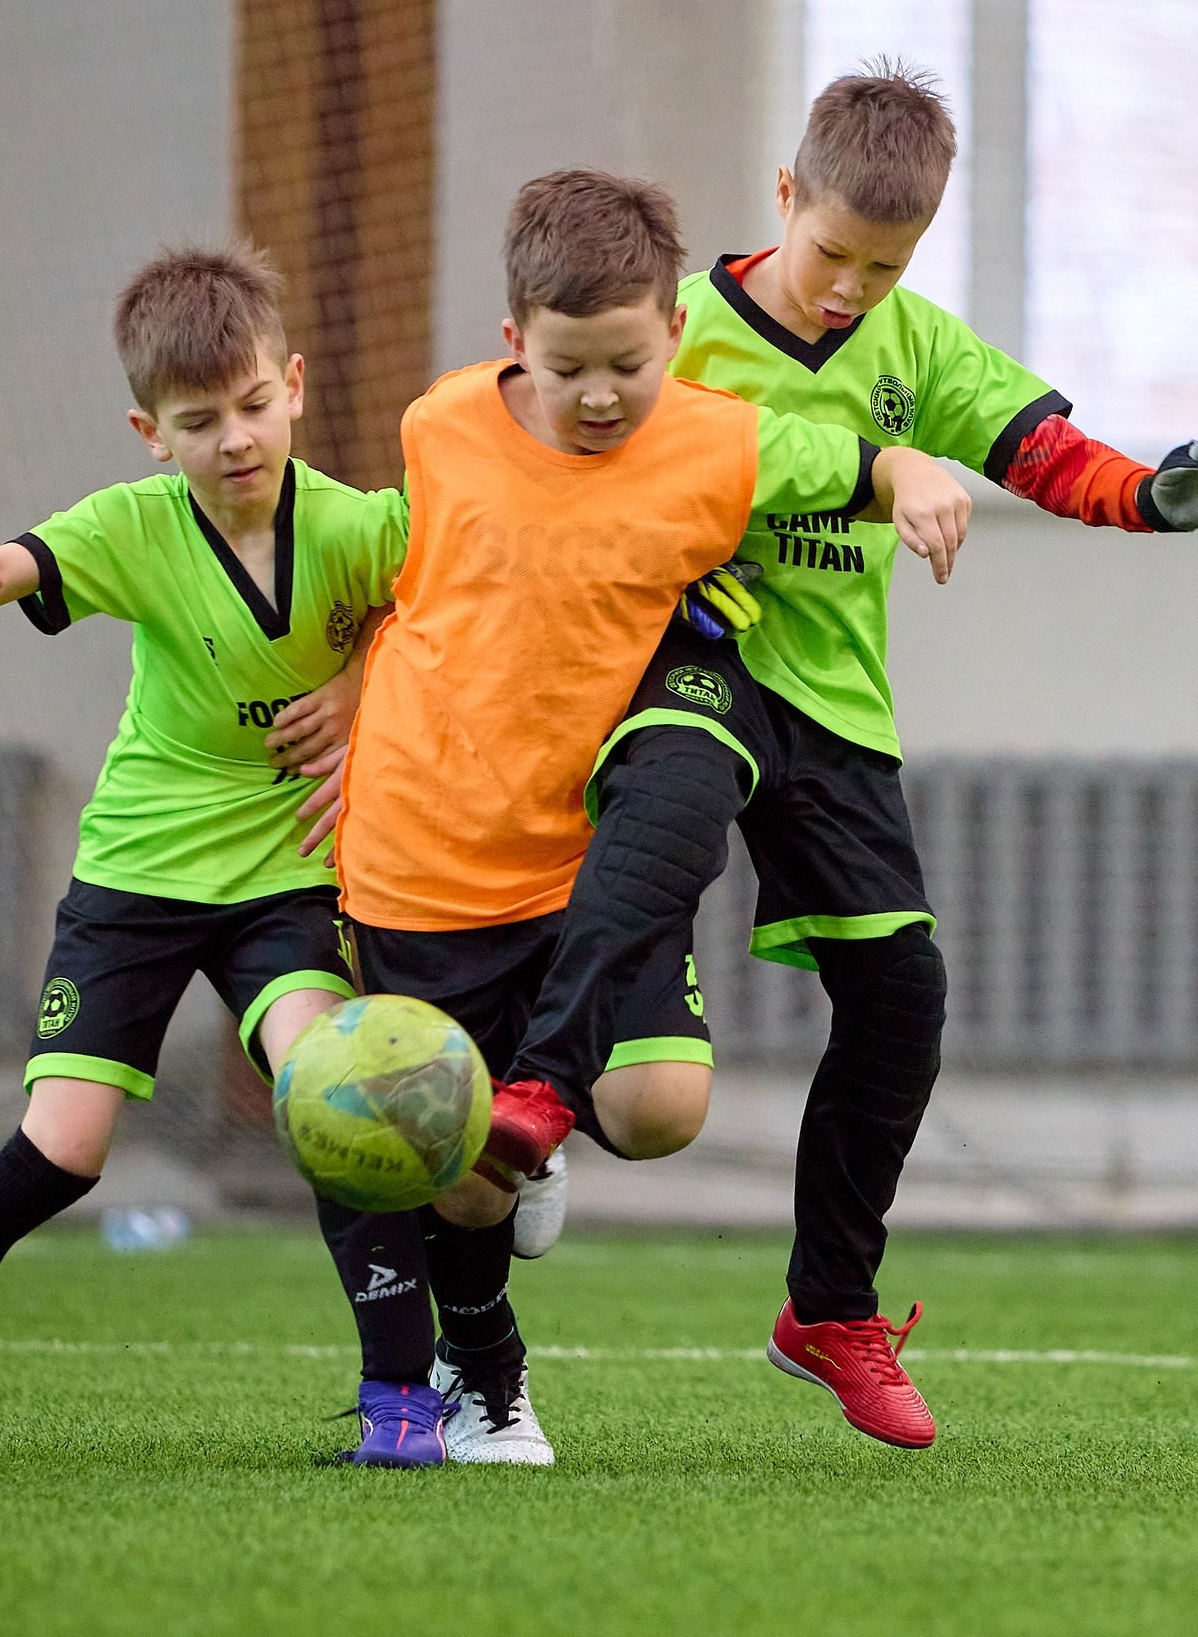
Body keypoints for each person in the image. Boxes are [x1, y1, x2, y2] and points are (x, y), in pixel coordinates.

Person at [471, 61, 1198, 1451]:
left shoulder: (919, 351)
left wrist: (1150, 496)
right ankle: (534, 1097)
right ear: (784, 196)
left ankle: (828, 1312)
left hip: (836, 710)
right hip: (693, 662)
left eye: (882, 267)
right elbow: (576, 445)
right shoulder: (677, 332)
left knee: (904, 998)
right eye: (832, 252)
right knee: (668, 815)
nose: (848, 288)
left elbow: (1042, 452)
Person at [323, 166, 974, 1466]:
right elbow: (375, 572)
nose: (603, 393)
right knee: (454, 1171)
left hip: (586, 857)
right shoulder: (439, 429)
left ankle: (537, 1125)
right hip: (428, 850)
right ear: (515, 343)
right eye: (569, 370)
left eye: (628, 361)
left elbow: (843, 463)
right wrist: (328, 708)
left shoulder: (716, 438)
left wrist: (910, 472)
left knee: (665, 1107)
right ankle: (489, 1371)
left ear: (675, 334)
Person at [0, 243, 423, 1464]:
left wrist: (359, 672)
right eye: (199, 419)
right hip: (137, 878)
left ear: (297, 384)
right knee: (62, 1150)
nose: (235, 438)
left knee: (334, 1098)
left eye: (255, 404)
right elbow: (13, 572)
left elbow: (446, 607)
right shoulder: (132, 526)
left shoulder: (362, 526)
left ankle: (401, 1403)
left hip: (285, 873)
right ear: (148, 431)